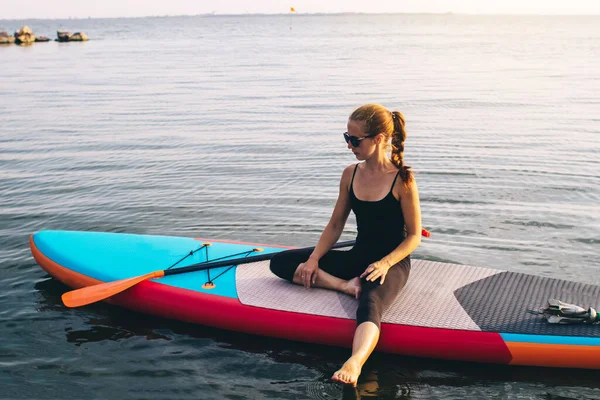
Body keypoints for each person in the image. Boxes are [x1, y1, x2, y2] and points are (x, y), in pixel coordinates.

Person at [270, 104, 422, 386]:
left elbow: (413, 236)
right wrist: (314, 259)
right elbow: (336, 224)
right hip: (359, 256)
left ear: (378, 139)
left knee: (371, 300)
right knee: (280, 261)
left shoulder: (403, 180)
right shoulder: (350, 174)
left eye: (355, 140)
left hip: (390, 263)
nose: (349, 145)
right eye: (346, 138)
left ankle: (355, 361)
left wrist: (386, 263)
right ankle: (343, 285)